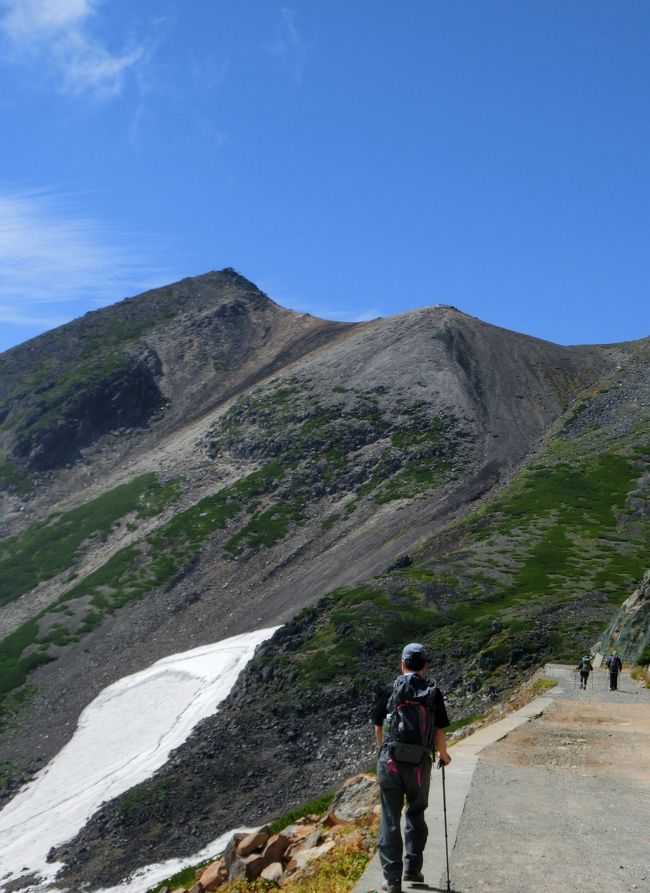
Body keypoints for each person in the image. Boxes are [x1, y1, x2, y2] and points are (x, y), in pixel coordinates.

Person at [372, 643, 452, 893]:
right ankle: (412, 869)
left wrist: (382, 751)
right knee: (416, 814)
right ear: (424, 665)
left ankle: (392, 879)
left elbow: (378, 726)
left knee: (389, 818)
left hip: (390, 762)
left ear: (402, 663)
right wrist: (443, 754)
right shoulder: (432, 692)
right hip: (419, 764)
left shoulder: (389, 689)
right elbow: (439, 729)